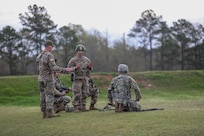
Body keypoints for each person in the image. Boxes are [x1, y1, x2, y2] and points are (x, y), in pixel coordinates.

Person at [36, 40, 77, 118]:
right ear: (49, 46)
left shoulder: (39, 55)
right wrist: (65, 69)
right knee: (49, 95)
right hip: (48, 78)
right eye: (52, 46)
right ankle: (50, 113)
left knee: (42, 95)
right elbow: (53, 67)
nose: (52, 48)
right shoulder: (49, 55)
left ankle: (44, 113)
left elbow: (39, 66)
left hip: (41, 78)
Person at [67, 44, 93, 112]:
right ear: (76, 51)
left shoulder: (86, 59)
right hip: (77, 78)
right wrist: (75, 68)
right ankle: (75, 106)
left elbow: (90, 68)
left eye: (82, 51)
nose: (81, 52)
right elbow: (68, 69)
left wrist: (89, 67)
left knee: (85, 92)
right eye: (79, 51)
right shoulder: (73, 60)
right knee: (77, 93)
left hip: (84, 78)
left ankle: (83, 106)